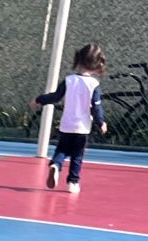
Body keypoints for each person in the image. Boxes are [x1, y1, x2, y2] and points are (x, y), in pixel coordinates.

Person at [31, 43, 107, 197]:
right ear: (96, 65)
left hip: (66, 126)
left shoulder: (69, 80)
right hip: (82, 128)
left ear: (78, 60)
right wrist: (101, 122)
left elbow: (55, 97)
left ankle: (55, 165)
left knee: (61, 150)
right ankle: (73, 182)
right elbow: (96, 107)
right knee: (77, 155)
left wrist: (39, 100)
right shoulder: (94, 85)